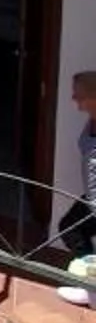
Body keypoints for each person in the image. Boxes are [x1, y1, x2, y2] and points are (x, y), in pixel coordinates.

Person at [64, 71, 96, 256]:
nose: (73, 97)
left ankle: (89, 268)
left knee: (71, 228)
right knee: (70, 227)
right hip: (92, 196)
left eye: (78, 93)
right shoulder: (93, 118)